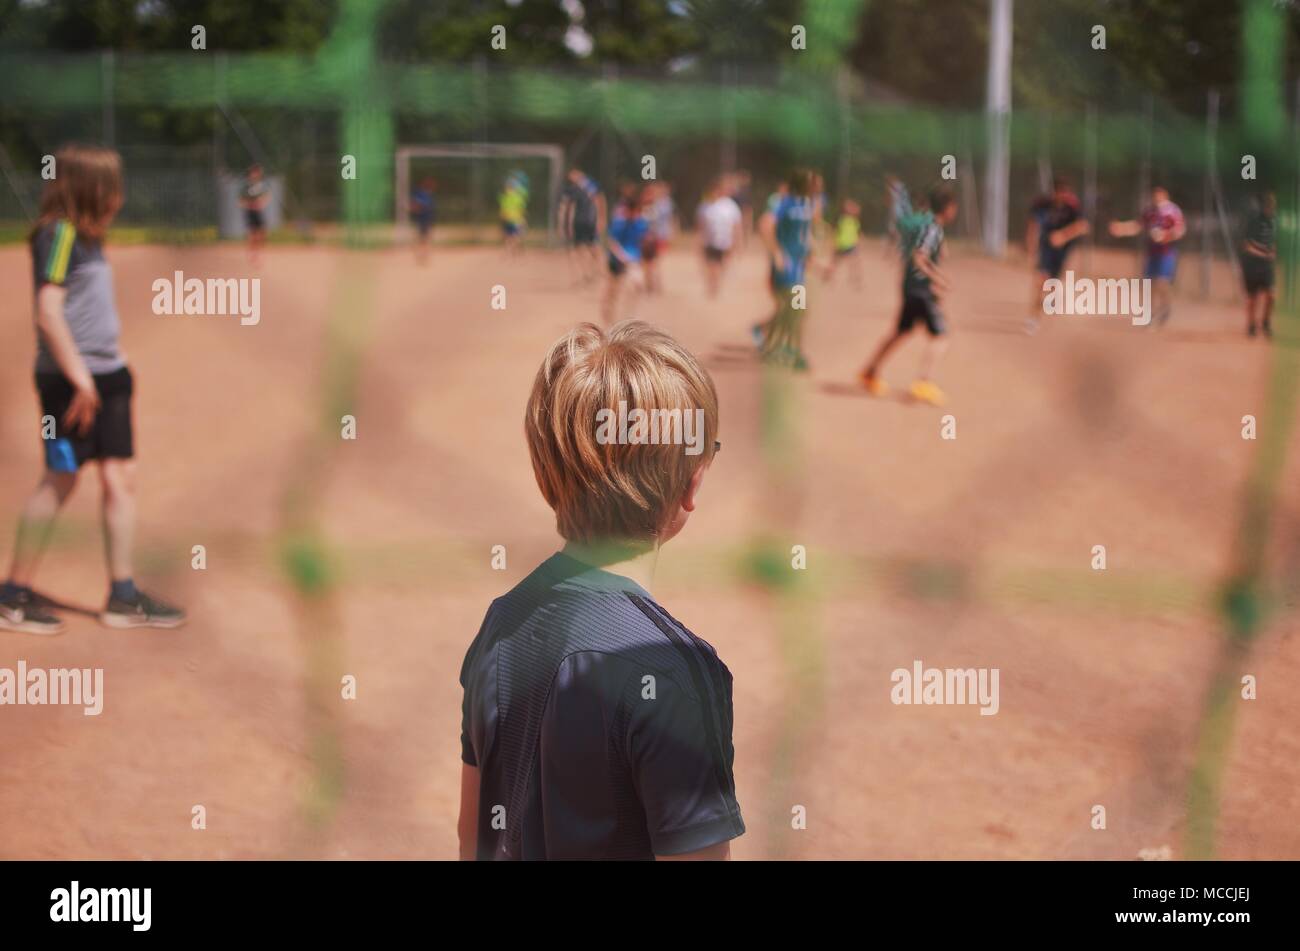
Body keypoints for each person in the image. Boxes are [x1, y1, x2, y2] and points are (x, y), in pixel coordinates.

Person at [457, 320, 743, 860]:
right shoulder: (674, 671)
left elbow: (471, 841)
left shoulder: (502, 623)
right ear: (692, 483)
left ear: (547, 474)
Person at [0, 144, 186, 636]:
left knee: (120, 479)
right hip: (68, 384)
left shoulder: (86, 236)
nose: (119, 197)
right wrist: (81, 378)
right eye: (112, 188)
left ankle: (122, 595)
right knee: (60, 478)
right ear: (89, 190)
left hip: (109, 378)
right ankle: (13, 595)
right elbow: (47, 311)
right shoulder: (58, 234)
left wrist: (103, 375)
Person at [859, 182, 959, 406]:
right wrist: (938, 280)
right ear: (948, 208)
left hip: (911, 286)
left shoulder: (928, 225)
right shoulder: (932, 227)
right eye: (954, 206)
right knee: (940, 336)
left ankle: (870, 371)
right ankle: (923, 382)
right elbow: (919, 257)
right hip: (919, 288)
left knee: (901, 332)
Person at [755, 169, 817, 369]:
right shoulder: (785, 202)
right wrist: (777, 253)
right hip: (787, 267)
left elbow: (805, 234)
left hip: (798, 266)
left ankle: (768, 342)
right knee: (797, 309)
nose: (816, 185)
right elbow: (765, 225)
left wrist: (811, 255)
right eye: (812, 182)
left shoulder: (808, 204)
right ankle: (795, 354)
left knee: (791, 309)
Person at [1108, 185, 1185, 326]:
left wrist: (1164, 236)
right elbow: (1138, 225)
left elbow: (1180, 230)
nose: (1156, 198)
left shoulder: (1172, 211)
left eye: (1159, 195)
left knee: (1162, 282)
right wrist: (1121, 229)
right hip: (1152, 253)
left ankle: (1165, 306)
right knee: (1149, 284)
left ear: (1165, 196)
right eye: (1154, 195)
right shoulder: (1150, 212)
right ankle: (1151, 313)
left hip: (1166, 253)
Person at [1023, 177, 1089, 335]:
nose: (1061, 196)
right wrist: (1031, 248)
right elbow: (1033, 226)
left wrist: (1063, 235)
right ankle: (1033, 319)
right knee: (1040, 282)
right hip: (1046, 247)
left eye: (1064, 193)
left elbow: (1083, 226)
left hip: (1062, 250)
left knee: (1053, 283)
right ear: (1053, 193)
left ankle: (1052, 297)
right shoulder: (1042, 205)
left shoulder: (1072, 207)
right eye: (1058, 192)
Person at [602, 184, 650, 325]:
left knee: (636, 286)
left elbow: (641, 243)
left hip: (632, 261)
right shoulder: (619, 223)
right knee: (613, 292)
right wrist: (621, 256)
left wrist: (641, 260)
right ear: (628, 210)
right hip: (616, 261)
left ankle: (628, 318)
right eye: (634, 211)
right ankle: (608, 317)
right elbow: (611, 242)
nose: (636, 214)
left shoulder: (641, 223)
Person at [696, 177, 743, 299]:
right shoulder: (704, 206)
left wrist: (737, 242)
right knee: (712, 266)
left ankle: (715, 283)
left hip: (725, 242)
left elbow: (736, 226)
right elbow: (700, 226)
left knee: (721, 266)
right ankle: (713, 286)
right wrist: (699, 242)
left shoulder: (730, 206)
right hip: (709, 242)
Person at [558, 167, 606, 284]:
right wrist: (565, 226)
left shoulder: (591, 186)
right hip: (578, 222)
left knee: (594, 247)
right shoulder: (571, 190)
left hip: (590, 221)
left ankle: (600, 270)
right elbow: (567, 208)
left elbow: (600, 201)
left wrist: (601, 218)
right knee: (579, 248)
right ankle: (585, 273)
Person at [1240, 190, 1277, 339]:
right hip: (1252, 265)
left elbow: (1273, 241)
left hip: (1267, 265)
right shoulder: (1253, 221)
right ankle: (1251, 325)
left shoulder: (1274, 221)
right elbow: (1246, 245)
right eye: (1269, 205)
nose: (1271, 208)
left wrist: (1273, 251)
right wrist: (1264, 254)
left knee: (1271, 295)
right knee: (1252, 298)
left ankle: (1266, 322)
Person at [640, 182, 676, 295]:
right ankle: (651, 284)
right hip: (647, 238)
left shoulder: (659, 206)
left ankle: (654, 284)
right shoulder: (647, 207)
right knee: (649, 263)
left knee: (654, 262)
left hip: (655, 238)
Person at [822, 198, 864, 288]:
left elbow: (857, 233)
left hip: (850, 245)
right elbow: (836, 232)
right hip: (842, 245)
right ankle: (827, 276)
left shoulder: (854, 221)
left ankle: (856, 281)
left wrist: (857, 241)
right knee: (835, 263)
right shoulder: (843, 220)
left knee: (855, 263)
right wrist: (834, 242)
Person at [239, 163, 271, 266]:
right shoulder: (246, 186)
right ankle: (252, 253)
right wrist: (250, 204)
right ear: (251, 174)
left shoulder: (261, 185)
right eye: (254, 172)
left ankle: (259, 252)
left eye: (257, 172)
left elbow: (266, 197)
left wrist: (261, 202)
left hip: (259, 211)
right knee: (252, 234)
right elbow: (241, 201)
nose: (256, 174)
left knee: (262, 233)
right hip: (250, 212)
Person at [409, 176, 438, 265]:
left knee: (424, 238)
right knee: (422, 239)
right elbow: (415, 206)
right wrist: (416, 208)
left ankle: (423, 256)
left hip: (426, 219)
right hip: (421, 219)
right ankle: (421, 256)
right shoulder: (422, 194)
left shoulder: (427, 194)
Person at [499, 173, 529, 255]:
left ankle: (514, 248)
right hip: (507, 218)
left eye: (510, 187)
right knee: (508, 235)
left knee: (515, 235)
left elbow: (521, 209)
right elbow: (503, 208)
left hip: (516, 219)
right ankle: (510, 249)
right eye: (508, 187)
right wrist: (502, 215)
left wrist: (522, 218)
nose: (508, 189)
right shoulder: (505, 197)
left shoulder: (517, 198)